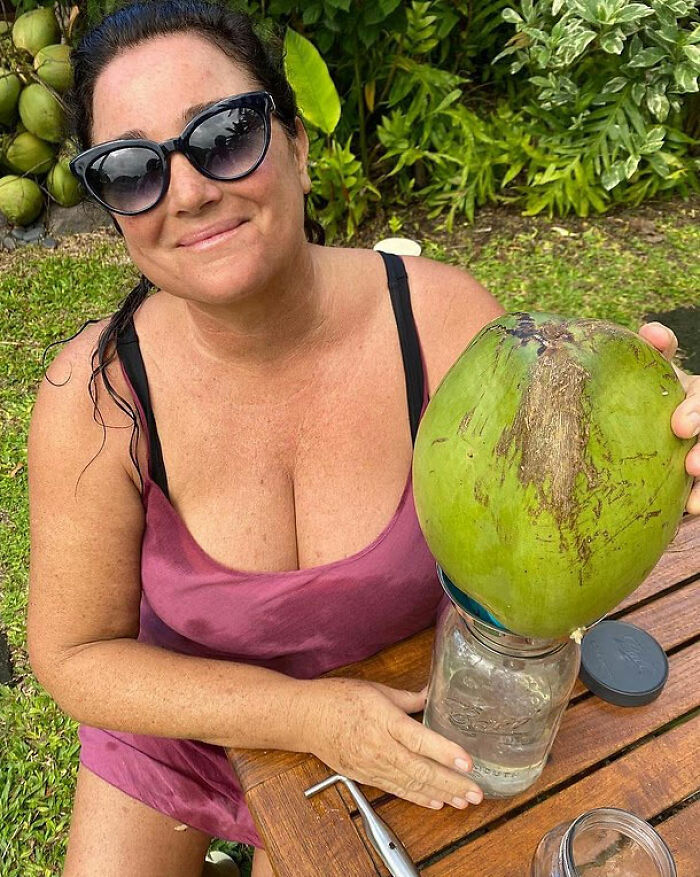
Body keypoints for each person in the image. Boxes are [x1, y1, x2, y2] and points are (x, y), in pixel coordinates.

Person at [25, 2, 700, 876]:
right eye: (130, 168)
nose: (187, 191)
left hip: (409, 705)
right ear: (113, 209)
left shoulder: (446, 323)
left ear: (298, 145)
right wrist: (305, 716)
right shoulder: (96, 396)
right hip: (182, 718)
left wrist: (653, 440)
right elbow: (74, 656)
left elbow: (556, 530)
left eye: (225, 133)